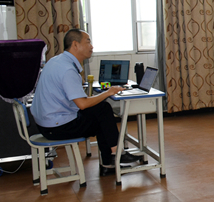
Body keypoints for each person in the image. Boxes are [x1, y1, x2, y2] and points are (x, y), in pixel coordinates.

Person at [31, 29, 137, 176]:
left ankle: (112, 159)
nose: (91, 46)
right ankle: (116, 154)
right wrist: (108, 92)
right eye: (88, 42)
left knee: (101, 112)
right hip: (56, 127)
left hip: (45, 123)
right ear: (75, 45)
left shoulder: (56, 61)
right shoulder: (68, 69)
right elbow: (82, 104)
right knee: (103, 112)